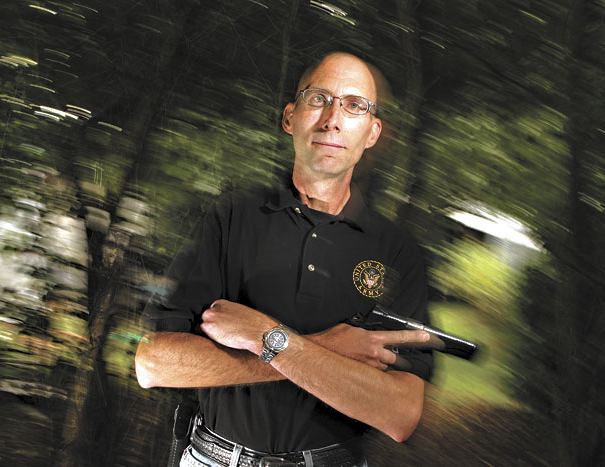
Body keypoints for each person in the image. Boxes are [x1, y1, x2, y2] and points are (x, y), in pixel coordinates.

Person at [135, 52, 433, 467]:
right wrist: (325, 348)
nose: (332, 119)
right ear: (290, 117)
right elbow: (154, 364)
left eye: (354, 105)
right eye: (319, 99)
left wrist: (263, 336)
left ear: (372, 132)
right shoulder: (232, 217)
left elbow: (400, 414)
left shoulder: (397, 253)